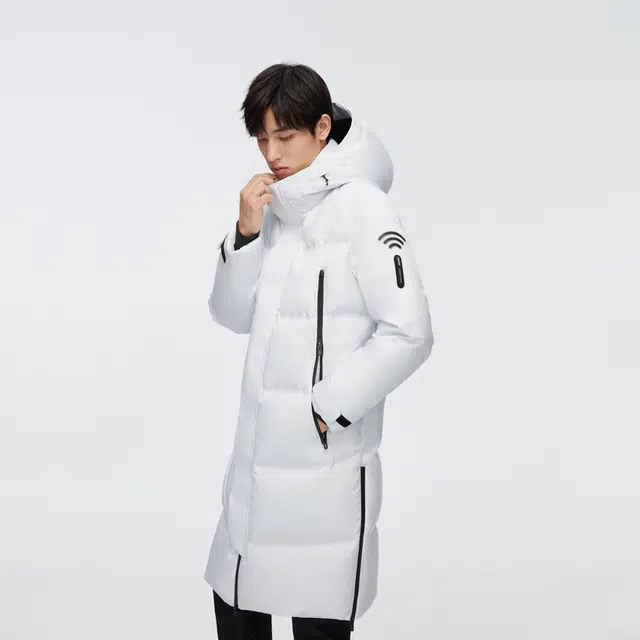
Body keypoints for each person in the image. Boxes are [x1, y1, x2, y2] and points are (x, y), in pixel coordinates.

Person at [204, 62, 434, 639]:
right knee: (235, 606)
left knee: (317, 619)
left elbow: (410, 331)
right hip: (254, 473)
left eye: (285, 136)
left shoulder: (364, 208)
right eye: (262, 139)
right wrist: (246, 234)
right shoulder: (276, 207)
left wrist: (328, 406)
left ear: (323, 128)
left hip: (323, 471)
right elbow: (231, 316)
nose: (272, 153)